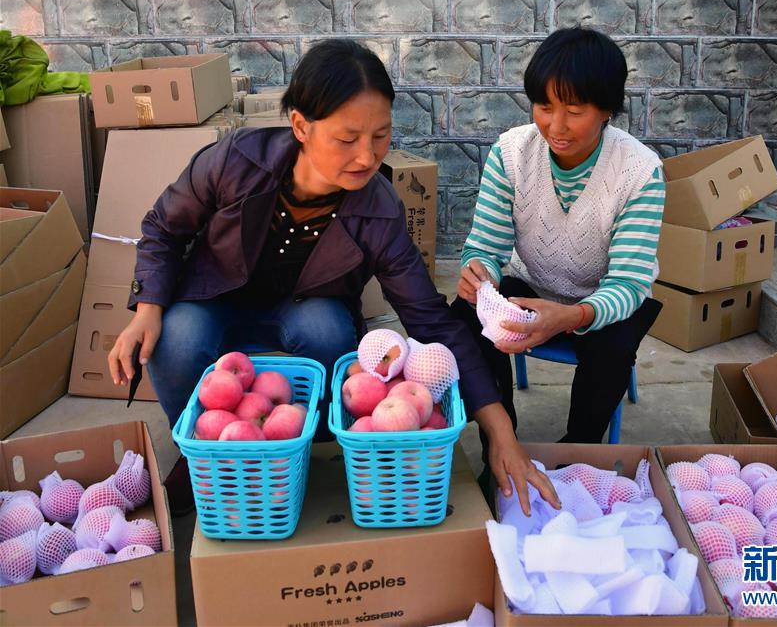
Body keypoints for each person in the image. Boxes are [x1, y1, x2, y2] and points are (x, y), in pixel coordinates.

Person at [107, 40, 558, 516]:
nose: (366, 156)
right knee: (176, 337)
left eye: (380, 136)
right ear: (301, 125)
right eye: (347, 139)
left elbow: (432, 322)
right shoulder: (236, 161)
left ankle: (315, 451)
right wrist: (147, 310)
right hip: (213, 298)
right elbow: (163, 227)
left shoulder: (379, 210)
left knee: (329, 331)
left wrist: (501, 432)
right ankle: (203, 453)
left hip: (307, 309)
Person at [451, 27, 665, 454]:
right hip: (531, 284)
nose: (556, 125)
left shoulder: (640, 172)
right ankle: (501, 438)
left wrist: (570, 316)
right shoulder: (511, 153)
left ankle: (576, 453)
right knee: (463, 316)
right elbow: (486, 246)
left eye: (575, 109)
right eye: (544, 106)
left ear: (607, 109)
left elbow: (627, 284)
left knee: (613, 350)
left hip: (604, 299)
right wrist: (480, 275)